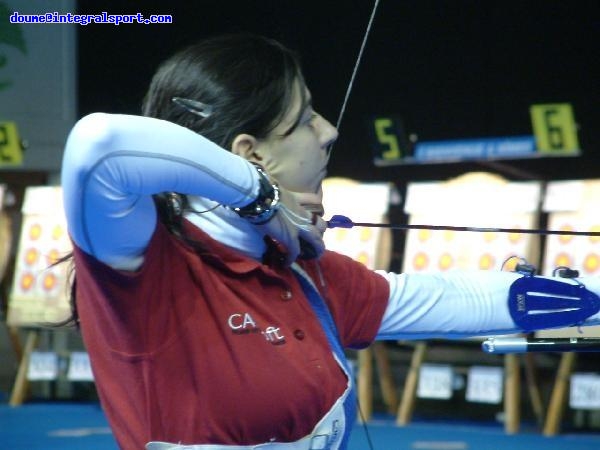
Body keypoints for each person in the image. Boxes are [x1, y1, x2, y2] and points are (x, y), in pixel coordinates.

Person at [61, 33, 600, 450]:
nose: (328, 132)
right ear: (250, 154)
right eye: (303, 120)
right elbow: (100, 145)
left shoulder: (300, 273)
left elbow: (450, 296)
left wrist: (590, 299)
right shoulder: (142, 265)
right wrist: (261, 199)